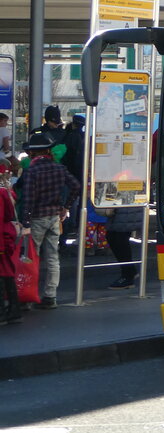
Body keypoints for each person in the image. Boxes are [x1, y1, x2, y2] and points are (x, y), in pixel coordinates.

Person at [14, 130, 81, 309]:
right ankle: (50, 297)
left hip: (36, 220)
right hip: (53, 217)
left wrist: (25, 223)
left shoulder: (31, 171)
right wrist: (66, 207)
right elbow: (76, 186)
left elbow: (28, 198)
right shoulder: (59, 168)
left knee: (31, 258)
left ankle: (29, 296)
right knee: (53, 257)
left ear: (33, 152)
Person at [104, 201, 143, 290]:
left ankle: (128, 274)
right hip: (122, 205)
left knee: (119, 238)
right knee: (113, 236)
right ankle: (129, 271)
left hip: (128, 205)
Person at [0, 183, 21, 324]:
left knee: (4, 272)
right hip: (4, 235)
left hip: (2, 236)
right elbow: (9, 213)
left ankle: (5, 310)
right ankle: (13, 309)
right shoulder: (5, 192)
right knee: (6, 271)